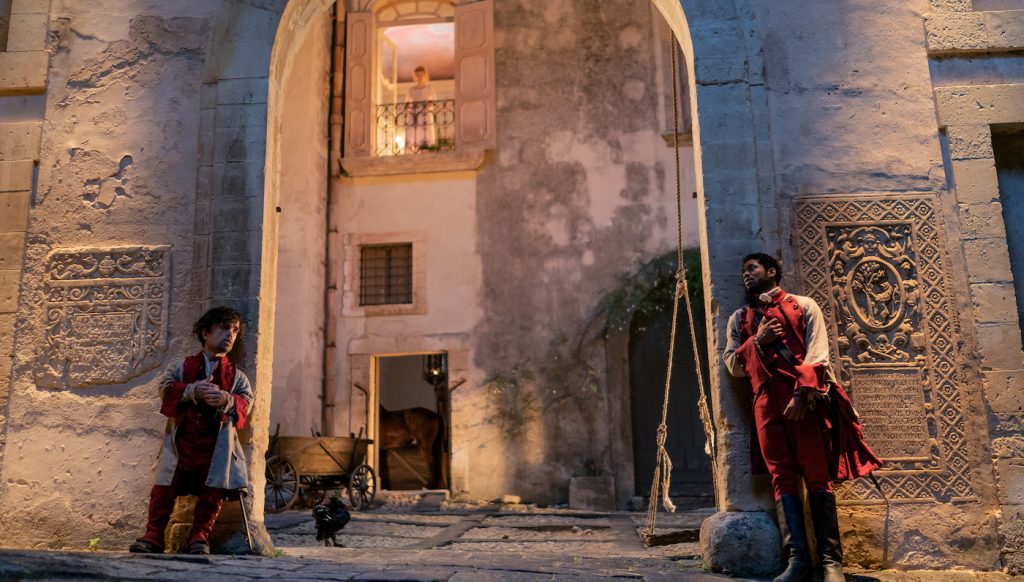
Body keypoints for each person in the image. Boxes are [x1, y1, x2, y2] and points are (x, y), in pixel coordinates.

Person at [723, 253, 881, 582]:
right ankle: (796, 561)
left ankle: (830, 564)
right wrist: (758, 340)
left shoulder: (803, 305)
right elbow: (732, 366)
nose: (746, 275)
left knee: (817, 476)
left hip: (803, 399)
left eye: (751, 268)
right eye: (742, 271)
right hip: (765, 403)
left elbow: (818, 353)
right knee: (781, 478)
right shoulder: (739, 319)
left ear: (771, 270)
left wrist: (802, 393)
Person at [129, 306, 254, 555]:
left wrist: (225, 399)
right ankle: (153, 536)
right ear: (205, 332)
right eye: (224, 328)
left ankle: (199, 538)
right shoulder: (181, 366)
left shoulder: (238, 376)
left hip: (215, 446)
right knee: (165, 488)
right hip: (181, 442)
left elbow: (246, 403)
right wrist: (192, 390)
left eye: (235, 330)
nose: (230, 335)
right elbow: (165, 389)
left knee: (211, 493)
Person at [404, 65, 437, 151]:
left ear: (425, 76)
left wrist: (429, 104)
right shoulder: (411, 89)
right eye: (418, 75)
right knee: (413, 130)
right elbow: (406, 102)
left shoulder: (429, 88)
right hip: (414, 112)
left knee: (425, 130)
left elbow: (433, 102)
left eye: (421, 75)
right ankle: (413, 148)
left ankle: (425, 148)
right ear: (415, 76)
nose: (420, 77)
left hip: (424, 112)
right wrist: (410, 106)